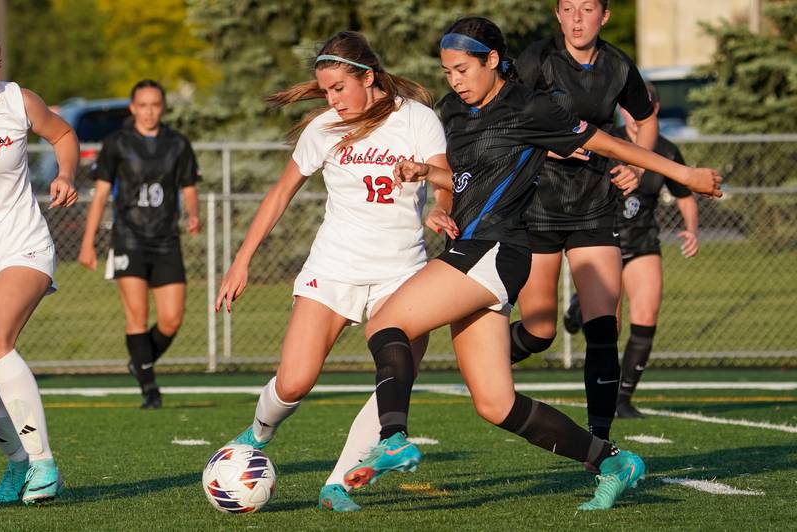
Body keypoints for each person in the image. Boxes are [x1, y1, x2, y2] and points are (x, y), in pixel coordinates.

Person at [345, 16, 721, 511]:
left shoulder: (530, 107)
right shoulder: (456, 112)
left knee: (387, 320)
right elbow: (468, 171)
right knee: (496, 404)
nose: (454, 79)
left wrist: (684, 173)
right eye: (446, 71)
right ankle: (613, 461)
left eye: (462, 69)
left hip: (496, 249)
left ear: (493, 61)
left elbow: (607, 143)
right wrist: (428, 175)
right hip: (476, 247)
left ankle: (393, 437)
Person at [213, 31, 452, 512]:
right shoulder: (323, 129)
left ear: (368, 77)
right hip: (334, 266)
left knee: (393, 382)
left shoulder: (417, 118)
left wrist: (437, 204)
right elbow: (280, 193)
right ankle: (257, 434)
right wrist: (241, 260)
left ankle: (338, 484)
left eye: (339, 88)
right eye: (325, 90)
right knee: (295, 381)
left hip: (401, 272)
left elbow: (446, 177)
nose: (332, 99)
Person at [509, 0, 659, 441]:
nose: (578, 19)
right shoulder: (537, 59)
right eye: (569, 9)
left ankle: (600, 443)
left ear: (604, 16)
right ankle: (485, 357)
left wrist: (640, 167)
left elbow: (646, 120)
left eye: (588, 9)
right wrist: (546, 146)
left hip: (595, 205)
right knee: (539, 330)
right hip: (538, 204)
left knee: (602, 327)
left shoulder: (617, 65)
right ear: (557, 15)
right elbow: (505, 118)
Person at [565, 84, 700, 419]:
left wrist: (691, 229)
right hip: (604, 237)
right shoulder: (609, 142)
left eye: (643, 105)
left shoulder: (666, 151)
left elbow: (683, 192)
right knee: (612, 322)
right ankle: (581, 306)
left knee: (647, 314)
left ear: (654, 109)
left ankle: (622, 398)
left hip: (642, 240)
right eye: (627, 106)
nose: (633, 112)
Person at [78, 79, 201, 409]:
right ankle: (150, 387)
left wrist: (193, 214)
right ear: (133, 108)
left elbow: (189, 187)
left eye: (155, 105)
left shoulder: (177, 144)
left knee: (171, 319)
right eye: (143, 105)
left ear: (162, 107)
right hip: (129, 238)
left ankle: (139, 360)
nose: (149, 111)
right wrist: (87, 242)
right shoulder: (117, 143)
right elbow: (101, 193)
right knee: (137, 314)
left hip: (165, 240)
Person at [0, 38, 78, 503]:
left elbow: (64, 135)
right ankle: (18, 462)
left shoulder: (17, 100)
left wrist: (66, 174)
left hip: (23, 247)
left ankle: (43, 463)